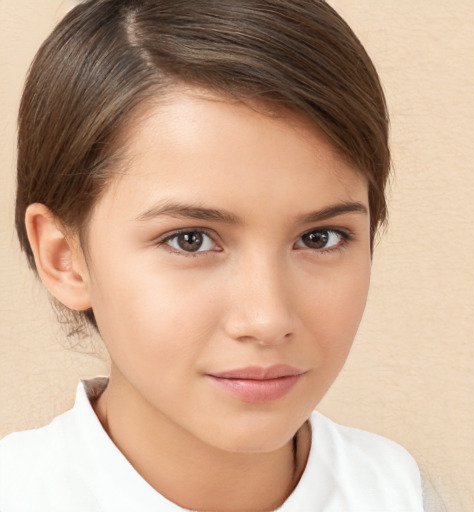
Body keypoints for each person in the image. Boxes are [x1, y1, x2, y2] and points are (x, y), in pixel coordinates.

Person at [0, 0, 425, 510]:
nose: (267, 320)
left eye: (319, 237)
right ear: (64, 256)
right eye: (191, 240)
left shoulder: (413, 495)